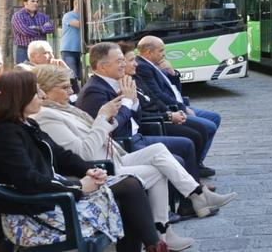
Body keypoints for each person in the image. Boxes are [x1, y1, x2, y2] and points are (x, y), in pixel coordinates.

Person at [31, 65, 235, 251]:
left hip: (114, 154)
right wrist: (105, 115)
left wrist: (118, 110)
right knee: (157, 169)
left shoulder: (65, 109)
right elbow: (83, 152)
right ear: (45, 90)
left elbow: (104, 129)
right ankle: (164, 231)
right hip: (101, 164)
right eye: (64, 87)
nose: (71, 92)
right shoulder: (48, 115)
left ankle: (196, 197)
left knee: (159, 149)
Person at [0, 71, 168, 252]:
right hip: (33, 214)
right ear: (17, 97)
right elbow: (28, 180)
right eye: (36, 92)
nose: (42, 95)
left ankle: (154, 246)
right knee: (128, 192)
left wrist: (90, 170)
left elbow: (62, 156)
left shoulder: (26, 124)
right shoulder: (4, 134)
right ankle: (156, 246)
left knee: (130, 186)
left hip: (50, 200)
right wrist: (79, 186)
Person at [75, 43, 202, 186]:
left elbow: (136, 118)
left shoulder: (116, 82)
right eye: (119, 61)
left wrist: (134, 102)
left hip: (136, 136)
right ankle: (193, 199)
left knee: (186, 144)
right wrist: (128, 102)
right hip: (123, 144)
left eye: (123, 60)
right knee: (177, 159)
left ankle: (195, 197)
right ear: (102, 66)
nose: (124, 65)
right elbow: (111, 129)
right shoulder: (94, 91)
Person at [136, 36, 221, 177]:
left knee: (214, 118)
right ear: (148, 53)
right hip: (172, 110)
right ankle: (195, 165)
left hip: (180, 105)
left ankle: (197, 162)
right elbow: (158, 96)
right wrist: (179, 110)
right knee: (207, 127)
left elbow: (174, 89)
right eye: (161, 50)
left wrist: (172, 73)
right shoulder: (144, 68)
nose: (164, 54)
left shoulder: (156, 65)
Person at [119, 42, 209, 176]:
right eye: (132, 60)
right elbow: (138, 115)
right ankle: (195, 182)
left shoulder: (135, 77)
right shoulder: (126, 81)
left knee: (201, 129)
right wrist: (169, 116)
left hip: (162, 114)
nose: (136, 63)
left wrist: (171, 112)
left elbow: (154, 97)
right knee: (193, 136)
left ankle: (195, 174)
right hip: (152, 124)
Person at [11, 0, 54, 64]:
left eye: (37, 2)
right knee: (24, 73)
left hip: (41, 51)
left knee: (41, 72)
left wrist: (36, 28)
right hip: (24, 49)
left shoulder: (43, 16)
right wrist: (42, 29)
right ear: (25, 3)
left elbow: (51, 28)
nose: (35, 3)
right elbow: (25, 31)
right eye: (32, 1)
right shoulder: (18, 16)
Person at [61, 0, 82, 81]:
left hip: (80, 49)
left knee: (81, 75)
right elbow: (79, 24)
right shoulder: (68, 15)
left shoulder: (84, 16)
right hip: (68, 50)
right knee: (72, 75)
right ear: (76, 4)